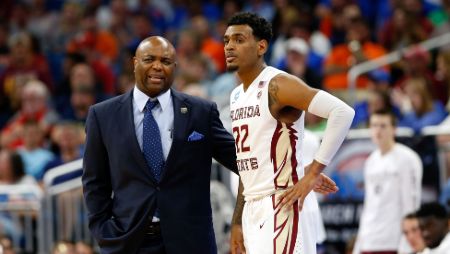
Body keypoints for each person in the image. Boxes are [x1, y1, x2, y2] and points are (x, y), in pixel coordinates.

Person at [82, 36, 238, 253]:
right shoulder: (102, 115)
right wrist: (103, 230)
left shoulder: (201, 112)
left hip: (191, 243)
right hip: (129, 242)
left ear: (174, 67)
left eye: (165, 61)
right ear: (135, 63)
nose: (157, 66)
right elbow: (94, 182)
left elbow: (241, 161)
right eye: (149, 59)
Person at [224, 12, 355, 254]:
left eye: (239, 40)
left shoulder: (278, 84)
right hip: (253, 208)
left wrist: (312, 173)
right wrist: (237, 222)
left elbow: (342, 112)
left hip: (281, 205)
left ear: (261, 46)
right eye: (227, 41)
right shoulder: (236, 96)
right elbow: (247, 165)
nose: (230, 46)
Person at [353, 110, 423, 254]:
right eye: (374, 125)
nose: (378, 130)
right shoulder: (371, 161)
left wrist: (407, 244)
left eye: (383, 126)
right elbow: (369, 204)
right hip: (370, 240)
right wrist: (359, 244)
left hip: (393, 240)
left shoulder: (407, 159)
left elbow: (411, 204)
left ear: (394, 129)